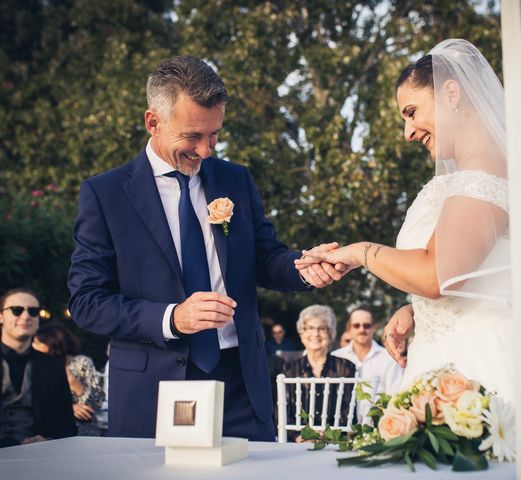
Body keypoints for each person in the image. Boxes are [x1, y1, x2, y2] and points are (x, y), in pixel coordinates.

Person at [296, 39, 521, 478]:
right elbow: (469, 275)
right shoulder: (471, 174)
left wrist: (360, 252)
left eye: (412, 112)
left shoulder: (487, 170)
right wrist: (415, 308)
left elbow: (435, 274)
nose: (408, 132)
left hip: (491, 370)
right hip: (441, 362)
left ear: (452, 94)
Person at [67, 55, 346, 441]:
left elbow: (265, 257)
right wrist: (172, 318)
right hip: (154, 391)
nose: (207, 151)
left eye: (214, 134)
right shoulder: (106, 194)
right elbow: (86, 301)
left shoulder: (235, 179)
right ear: (153, 122)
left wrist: (303, 267)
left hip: (240, 386)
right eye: (192, 137)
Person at [0, 288, 76, 447]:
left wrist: (49, 441)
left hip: (37, 456)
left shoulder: (53, 366)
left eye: (33, 311)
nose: (26, 316)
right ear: (1, 316)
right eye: (17, 310)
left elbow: (68, 426)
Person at [282, 305, 356, 441]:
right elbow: (282, 411)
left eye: (322, 328)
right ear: (301, 333)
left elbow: (348, 409)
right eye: (309, 328)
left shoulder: (346, 367)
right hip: (297, 443)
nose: (315, 334)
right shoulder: (288, 369)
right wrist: (299, 437)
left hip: (334, 441)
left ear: (331, 333)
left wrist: (328, 437)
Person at [32, 323, 105, 436]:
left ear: (51, 343)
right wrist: (69, 408)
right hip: (51, 428)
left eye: (37, 343)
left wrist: (75, 384)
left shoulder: (82, 363)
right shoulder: (37, 366)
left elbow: (96, 403)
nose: (32, 346)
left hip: (84, 428)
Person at [331, 308, 402, 420]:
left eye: (367, 325)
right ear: (349, 329)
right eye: (356, 325)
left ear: (374, 328)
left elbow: (395, 396)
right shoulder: (336, 357)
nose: (362, 329)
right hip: (340, 426)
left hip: (378, 426)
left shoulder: (389, 357)